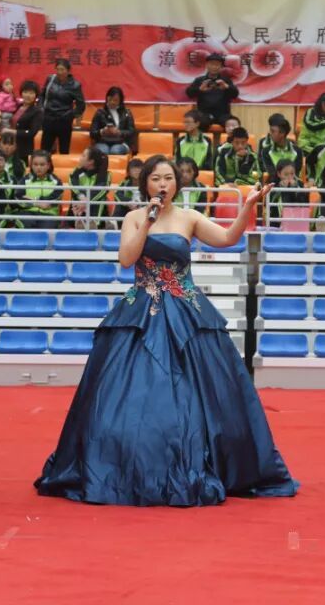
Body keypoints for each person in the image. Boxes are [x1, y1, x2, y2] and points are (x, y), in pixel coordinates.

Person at [34, 155, 297, 506]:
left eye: (168, 178)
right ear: (145, 183)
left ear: (178, 183)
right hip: (141, 309)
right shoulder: (133, 217)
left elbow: (227, 238)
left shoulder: (189, 217)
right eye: (156, 178)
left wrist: (247, 207)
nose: (162, 184)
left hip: (186, 309)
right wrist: (148, 220)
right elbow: (126, 259)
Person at [39, 59, 85, 155]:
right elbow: (42, 95)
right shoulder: (50, 79)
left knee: (64, 150)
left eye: (62, 69)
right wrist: (41, 108)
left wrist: (71, 115)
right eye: (57, 69)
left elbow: (81, 104)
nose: (59, 72)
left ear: (68, 70)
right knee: (44, 150)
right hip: (48, 118)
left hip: (64, 121)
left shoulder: (75, 85)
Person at [185, 53, 238, 129]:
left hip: (223, 115)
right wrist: (200, 89)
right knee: (200, 122)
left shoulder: (226, 80)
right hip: (204, 114)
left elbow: (235, 95)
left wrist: (227, 87)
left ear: (221, 67)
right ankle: (203, 137)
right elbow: (189, 94)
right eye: (211, 64)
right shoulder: (199, 80)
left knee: (233, 123)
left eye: (217, 65)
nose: (214, 67)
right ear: (207, 65)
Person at [13, 150, 63, 229]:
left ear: (48, 165)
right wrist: (36, 203)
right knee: (25, 223)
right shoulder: (25, 180)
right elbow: (18, 198)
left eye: (42, 164)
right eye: (35, 164)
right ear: (31, 165)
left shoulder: (56, 181)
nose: (38, 167)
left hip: (49, 215)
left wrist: (33, 199)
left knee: (46, 229)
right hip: (27, 212)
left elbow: (54, 198)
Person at [69, 147, 112, 229]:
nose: (80, 158)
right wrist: (82, 197)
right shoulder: (76, 171)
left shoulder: (105, 175)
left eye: (83, 156)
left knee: (100, 199)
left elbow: (101, 190)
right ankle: (78, 221)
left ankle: (94, 223)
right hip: (79, 202)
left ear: (91, 161)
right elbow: (73, 184)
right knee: (75, 196)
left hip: (95, 206)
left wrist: (86, 201)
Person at [90, 86, 135, 155]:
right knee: (103, 151)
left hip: (121, 142)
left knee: (115, 150)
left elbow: (132, 132)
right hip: (102, 142)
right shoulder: (100, 113)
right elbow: (92, 133)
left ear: (120, 101)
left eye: (115, 100)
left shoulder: (127, 113)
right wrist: (102, 131)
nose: (112, 102)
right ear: (107, 98)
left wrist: (119, 132)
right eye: (110, 99)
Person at [258, 114, 303, 181]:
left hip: (293, 183)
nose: (270, 133)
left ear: (282, 133)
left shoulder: (297, 151)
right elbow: (271, 173)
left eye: (273, 131)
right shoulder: (266, 151)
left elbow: (296, 172)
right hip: (275, 184)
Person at [267, 159, 308, 228]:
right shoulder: (273, 185)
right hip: (277, 222)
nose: (289, 177)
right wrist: (283, 190)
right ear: (279, 174)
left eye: (292, 174)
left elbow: (304, 202)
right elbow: (271, 205)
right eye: (286, 174)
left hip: (297, 220)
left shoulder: (300, 184)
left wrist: (295, 189)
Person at [12, 80, 44, 164]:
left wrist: (14, 132)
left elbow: (32, 133)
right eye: (25, 92)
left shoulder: (37, 111)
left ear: (36, 95)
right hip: (9, 145)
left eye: (31, 93)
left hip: (23, 149)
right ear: (21, 93)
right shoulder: (17, 106)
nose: (28, 95)